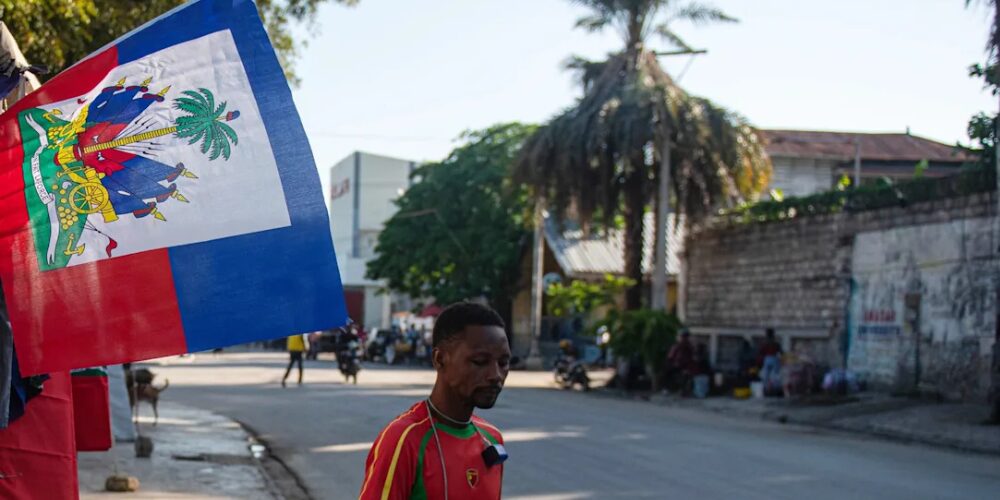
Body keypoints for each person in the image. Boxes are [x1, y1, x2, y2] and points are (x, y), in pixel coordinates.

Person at [359, 302, 510, 500]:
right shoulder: (404, 439)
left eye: (504, 362)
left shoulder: (491, 438)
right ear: (440, 359)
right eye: (480, 361)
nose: (495, 375)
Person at [758, 328, 783, 395]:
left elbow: (761, 352)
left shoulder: (764, 343)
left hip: (767, 359)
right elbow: (781, 352)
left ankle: (766, 389)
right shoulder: (775, 343)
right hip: (774, 359)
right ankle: (774, 389)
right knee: (774, 375)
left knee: (766, 376)